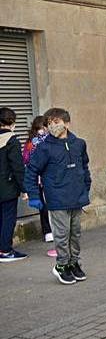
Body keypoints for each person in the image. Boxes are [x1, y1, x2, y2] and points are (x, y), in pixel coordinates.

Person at [24, 108, 91, 284]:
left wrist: (86, 187)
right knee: (62, 234)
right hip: (57, 198)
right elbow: (31, 171)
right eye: (49, 123)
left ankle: (73, 262)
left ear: (67, 123)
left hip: (76, 197)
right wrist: (33, 195)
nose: (52, 126)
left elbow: (84, 167)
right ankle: (61, 265)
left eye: (56, 122)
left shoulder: (79, 144)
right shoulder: (44, 148)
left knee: (75, 234)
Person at [23, 115, 55, 256]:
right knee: (42, 206)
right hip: (37, 178)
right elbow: (26, 159)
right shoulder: (30, 144)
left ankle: (54, 229)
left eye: (43, 128)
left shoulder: (52, 140)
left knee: (52, 204)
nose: (41, 131)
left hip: (50, 177)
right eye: (39, 128)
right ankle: (47, 231)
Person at [0, 107, 26, 262]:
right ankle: (5, 250)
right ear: (12, 122)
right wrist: (24, 188)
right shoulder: (12, 141)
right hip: (8, 186)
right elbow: (17, 167)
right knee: (8, 217)